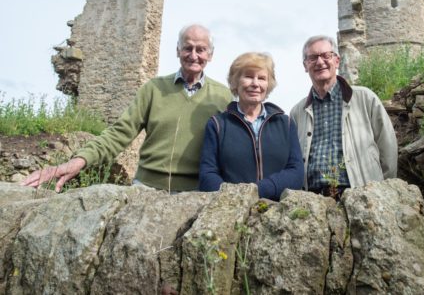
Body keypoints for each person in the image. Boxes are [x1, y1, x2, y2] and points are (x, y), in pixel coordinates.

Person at [21, 24, 231, 193]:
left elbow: (234, 147)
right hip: (146, 188)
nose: (193, 55)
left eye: (200, 49)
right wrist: (78, 161)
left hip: (194, 193)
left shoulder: (222, 97)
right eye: (188, 48)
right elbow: (119, 133)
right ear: (178, 51)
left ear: (210, 55)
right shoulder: (153, 89)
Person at [290, 35, 397, 198]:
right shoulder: (297, 112)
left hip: (362, 196)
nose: (320, 62)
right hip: (312, 199)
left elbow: (387, 145)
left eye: (326, 55)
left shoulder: (364, 98)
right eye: (312, 58)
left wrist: (385, 191)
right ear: (305, 65)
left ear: (337, 61)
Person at [199, 52, 304, 201]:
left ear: (268, 85)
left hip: (278, 213)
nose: (255, 83)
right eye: (248, 76)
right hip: (230, 211)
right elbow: (207, 175)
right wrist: (234, 198)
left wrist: (257, 190)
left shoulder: (285, 124)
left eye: (261, 78)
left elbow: (296, 172)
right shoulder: (217, 124)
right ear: (235, 82)